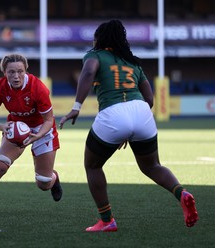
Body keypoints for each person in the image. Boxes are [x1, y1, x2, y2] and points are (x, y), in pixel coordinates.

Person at [59, 20, 198, 232]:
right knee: (152, 166)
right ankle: (182, 193)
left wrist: (77, 106)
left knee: (93, 166)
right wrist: (131, 126)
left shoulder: (94, 55)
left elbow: (88, 73)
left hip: (113, 113)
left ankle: (107, 221)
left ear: (100, 39)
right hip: (141, 112)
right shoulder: (133, 62)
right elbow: (150, 99)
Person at [0, 53, 62, 217]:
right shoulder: (0, 87)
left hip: (42, 129)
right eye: (11, 72)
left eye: (20, 71)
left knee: (43, 183)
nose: (16, 76)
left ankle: (54, 178)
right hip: (16, 130)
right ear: (4, 73)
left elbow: (49, 120)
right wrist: (2, 127)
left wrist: (37, 136)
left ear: (26, 71)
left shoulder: (38, 88)